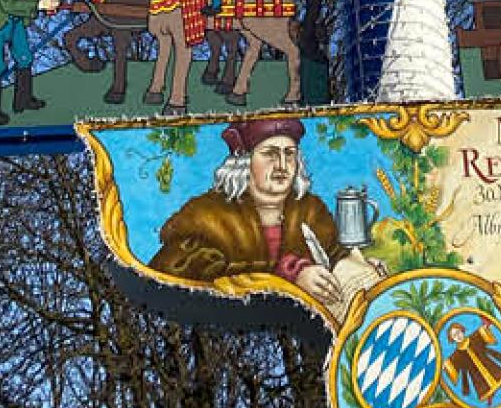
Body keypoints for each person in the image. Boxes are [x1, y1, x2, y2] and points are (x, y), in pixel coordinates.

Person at [151, 114, 381, 316]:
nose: (282, 165)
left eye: (289, 154)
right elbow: (180, 274)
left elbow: (332, 254)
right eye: (270, 154)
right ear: (244, 162)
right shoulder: (207, 215)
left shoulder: (310, 210)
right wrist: (289, 278)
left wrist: (356, 270)